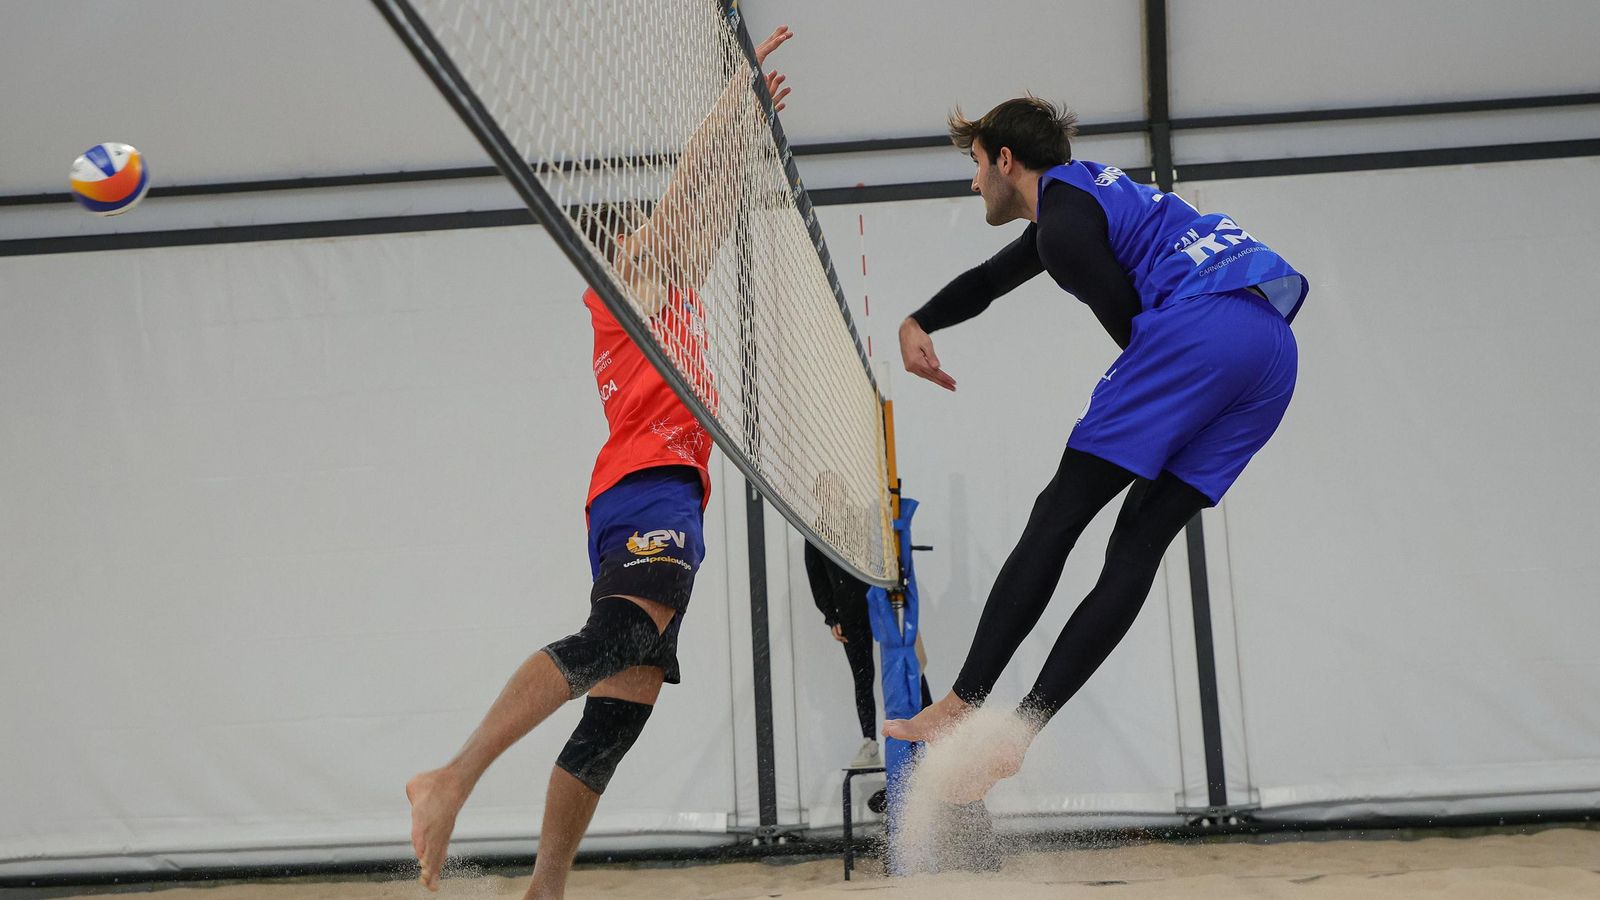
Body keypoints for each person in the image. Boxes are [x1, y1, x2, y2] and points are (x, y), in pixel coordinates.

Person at [402, 27, 794, 899]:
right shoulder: (624, 291)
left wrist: (746, 143)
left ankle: (546, 889)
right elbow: (687, 196)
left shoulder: (670, 297)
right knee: (614, 641)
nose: (658, 239)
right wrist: (737, 100)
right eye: (641, 237)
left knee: (620, 708)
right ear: (619, 257)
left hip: (657, 495)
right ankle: (453, 779)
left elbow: (708, 214)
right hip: (646, 486)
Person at [885, 97, 1306, 798]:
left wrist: (1167, 390)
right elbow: (992, 280)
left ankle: (961, 707)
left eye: (976, 165)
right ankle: (1019, 732)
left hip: (1200, 327)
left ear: (1005, 159)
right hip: (1270, 347)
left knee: (1060, 512)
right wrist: (919, 319)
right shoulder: (1085, 198)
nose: (973, 184)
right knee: (1138, 540)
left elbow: (1135, 328)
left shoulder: (1065, 230)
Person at [803, 539, 881, 769]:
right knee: (864, 677)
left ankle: (917, 737)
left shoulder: (863, 510)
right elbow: (815, 572)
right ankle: (871, 740)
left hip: (883, 601)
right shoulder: (818, 526)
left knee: (904, 669)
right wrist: (831, 615)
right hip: (850, 610)